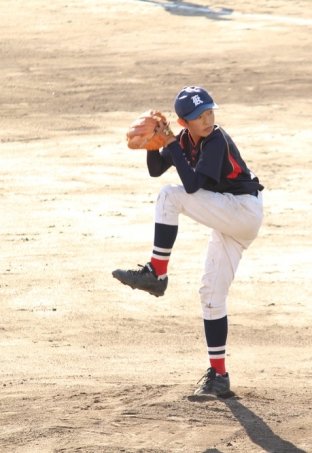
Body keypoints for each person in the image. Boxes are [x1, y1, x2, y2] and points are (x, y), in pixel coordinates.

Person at [112, 86, 264, 397]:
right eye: (198, 116)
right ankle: (219, 376)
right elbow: (156, 170)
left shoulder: (216, 140)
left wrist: (169, 142)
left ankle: (156, 273)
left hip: (243, 210)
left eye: (209, 112)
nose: (207, 119)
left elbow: (192, 187)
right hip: (229, 216)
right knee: (211, 296)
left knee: (171, 196)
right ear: (184, 122)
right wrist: (153, 144)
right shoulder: (183, 140)